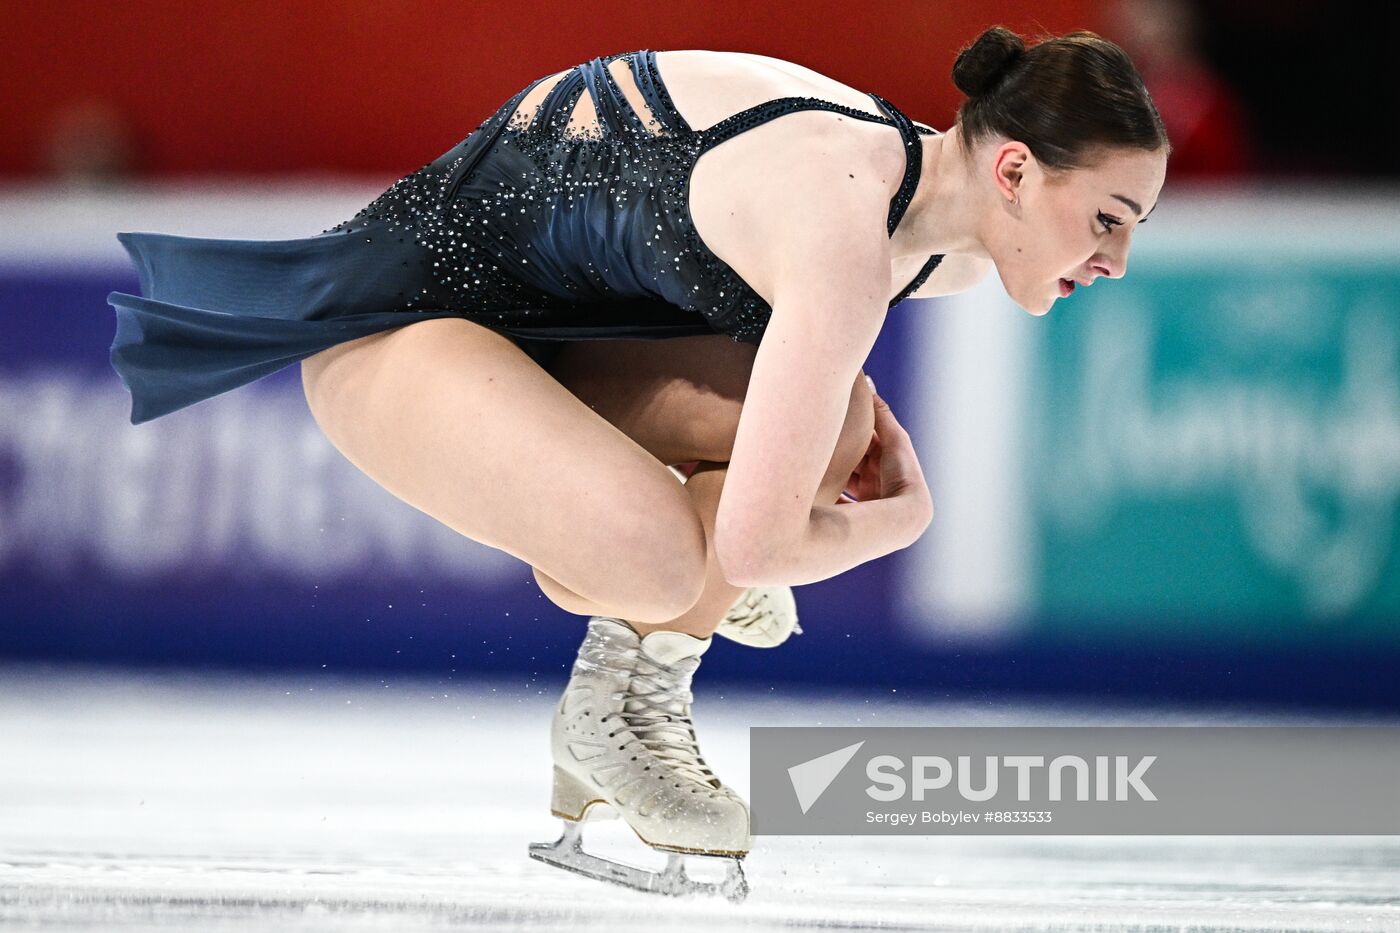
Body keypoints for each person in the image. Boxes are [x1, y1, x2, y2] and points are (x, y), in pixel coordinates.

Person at [105, 26, 1169, 899]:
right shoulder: (842, 222)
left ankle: (626, 691)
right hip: (398, 334)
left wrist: (771, 531)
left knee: (830, 426)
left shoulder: (932, 249)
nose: (1114, 260)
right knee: (671, 562)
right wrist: (901, 520)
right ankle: (632, 652)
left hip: (556, 350)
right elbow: (756, 545)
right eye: (1107, 220)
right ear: (1016, 171)